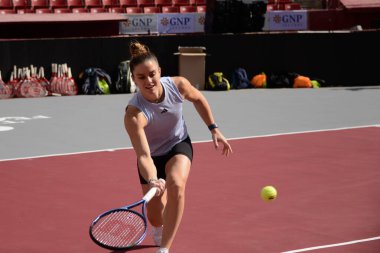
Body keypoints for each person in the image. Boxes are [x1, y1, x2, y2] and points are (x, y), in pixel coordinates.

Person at [124, 41, 233, 253]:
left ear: (160, 72)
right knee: (156, 216)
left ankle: (164, 248)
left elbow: (198, 98)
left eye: (152, 74)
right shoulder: (133, 114)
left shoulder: (178, 85)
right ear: (134, 79)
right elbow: (144, 156)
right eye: (141, 77)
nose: (149, 80)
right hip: (152, 158)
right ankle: (159, 227)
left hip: (178, 144)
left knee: (176, 184)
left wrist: (213, 127)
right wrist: (153, 180)